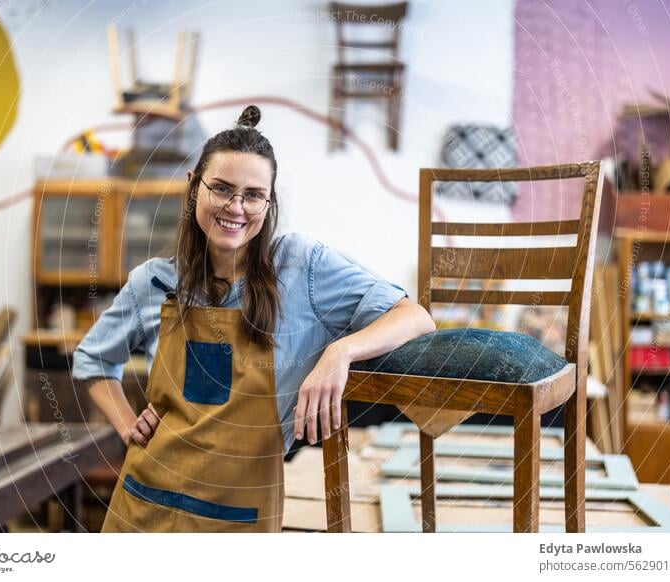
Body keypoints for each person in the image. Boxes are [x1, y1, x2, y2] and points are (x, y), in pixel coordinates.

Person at [72, 104, 435, 532]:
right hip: (145, 504)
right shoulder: (154, 281)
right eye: (222, 189)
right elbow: (93, 360)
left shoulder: (303, 268)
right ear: (193, 188)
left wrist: (340, 352)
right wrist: (128, 425)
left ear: (269, 201)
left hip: (239, 516)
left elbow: (413, 317)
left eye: (254, 195)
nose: (237, 207)